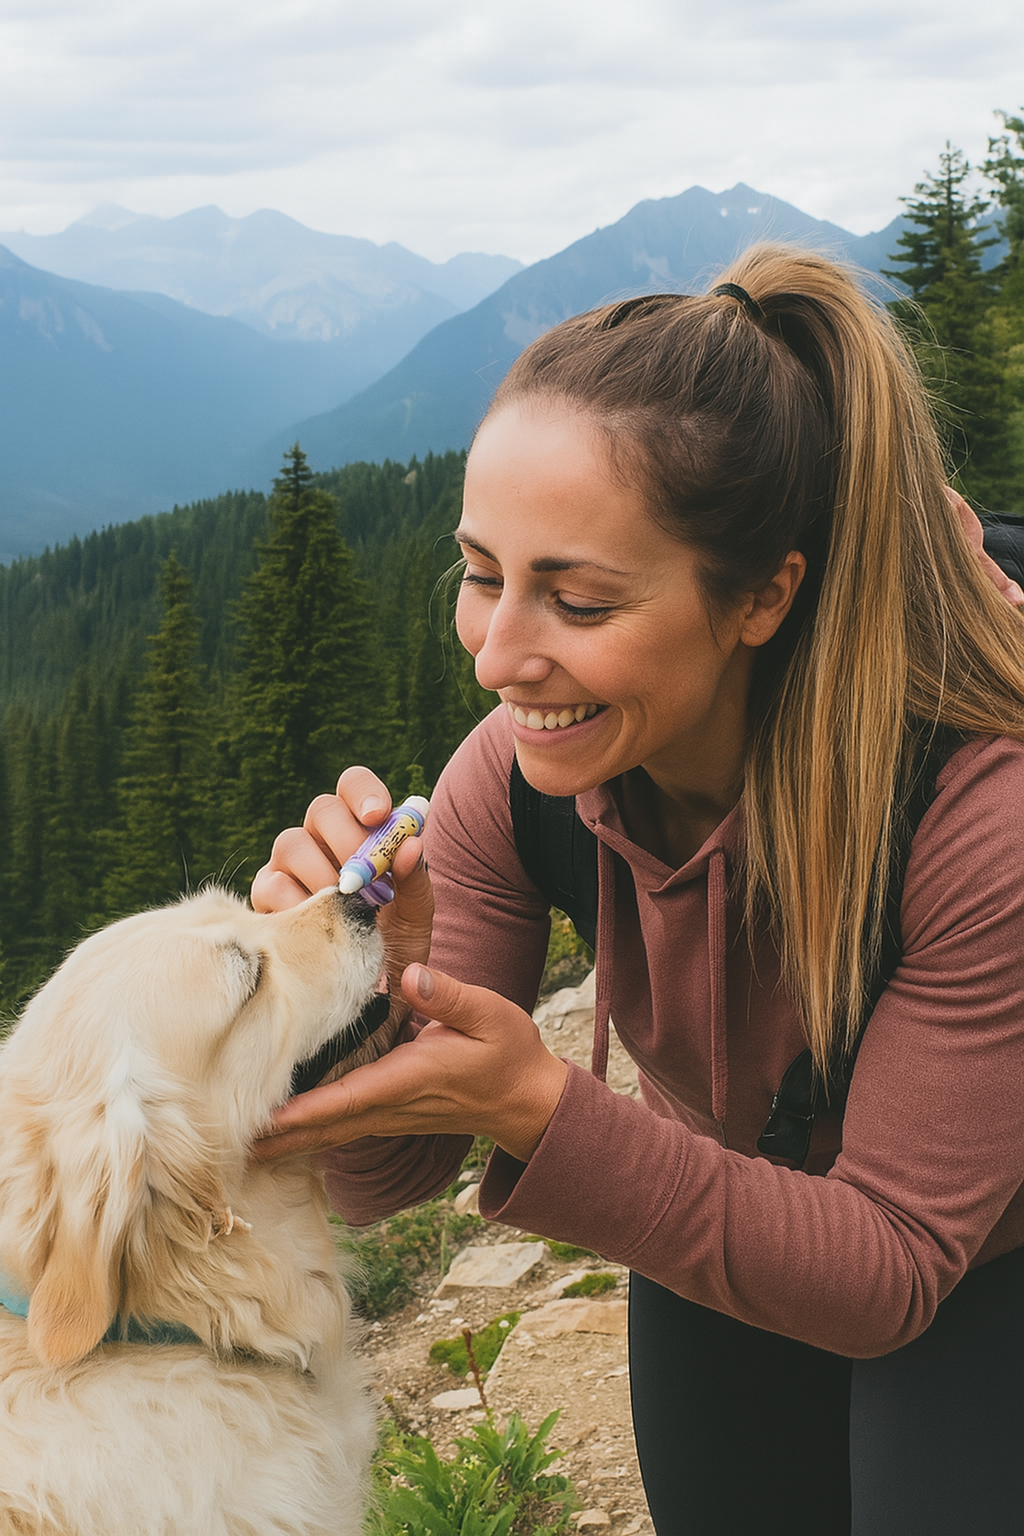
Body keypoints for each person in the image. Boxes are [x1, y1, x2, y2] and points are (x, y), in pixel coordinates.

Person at [251, 244, 1024, 1536]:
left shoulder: (979, 807)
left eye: (578, 600)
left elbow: (889, 1268)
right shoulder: (515, 782)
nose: (498, 657)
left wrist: (545, 1110)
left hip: (987, 1250)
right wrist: (355, 1000)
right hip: (727, 1194)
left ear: (763, 596)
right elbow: (384, 1178)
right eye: (482, 574)